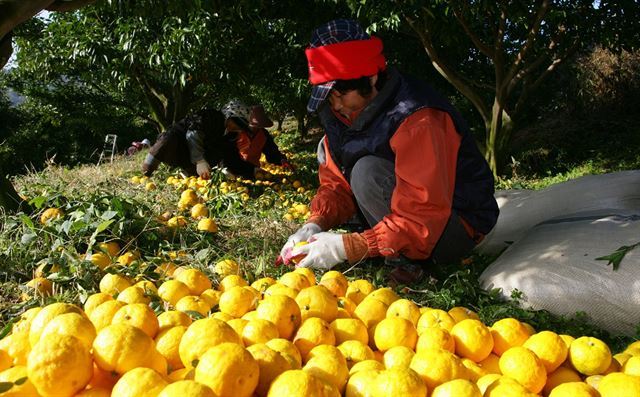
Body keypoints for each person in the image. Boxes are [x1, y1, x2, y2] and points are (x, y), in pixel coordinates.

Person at [278, 19, 499, 284]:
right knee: (355, 169)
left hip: (452, 225)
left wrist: (349, 247)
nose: (335, 104)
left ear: (371, 77)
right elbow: (335, 185)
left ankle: (410, 262)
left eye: (342, 92)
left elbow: (423, 212)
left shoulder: (417, 117)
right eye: (327, 95)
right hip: (404, 217)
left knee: (366, 171)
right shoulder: (336, 114)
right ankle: (390, 245)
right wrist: (316, 222)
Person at [142, 108, 256, 179]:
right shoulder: (212, 116)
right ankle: (147, 172)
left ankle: (187, 172)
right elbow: (193, 133)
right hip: (178, 144)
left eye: (240, 126)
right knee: (167, 139)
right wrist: (199, 160)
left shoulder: (230, 135)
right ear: (229, 116)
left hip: (190, 157)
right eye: (236, 123)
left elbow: (232, 157)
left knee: (217, 152)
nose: (237, 128)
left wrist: (252, 170)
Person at [222, 100, 294, 171]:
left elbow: (272, 153)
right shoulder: (235, 132)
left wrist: (281, 160)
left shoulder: (263, 135)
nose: (256, 129)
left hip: (254, 172)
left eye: (259, 126)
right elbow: (226, 154)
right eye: (253, 126)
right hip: (233, 171)